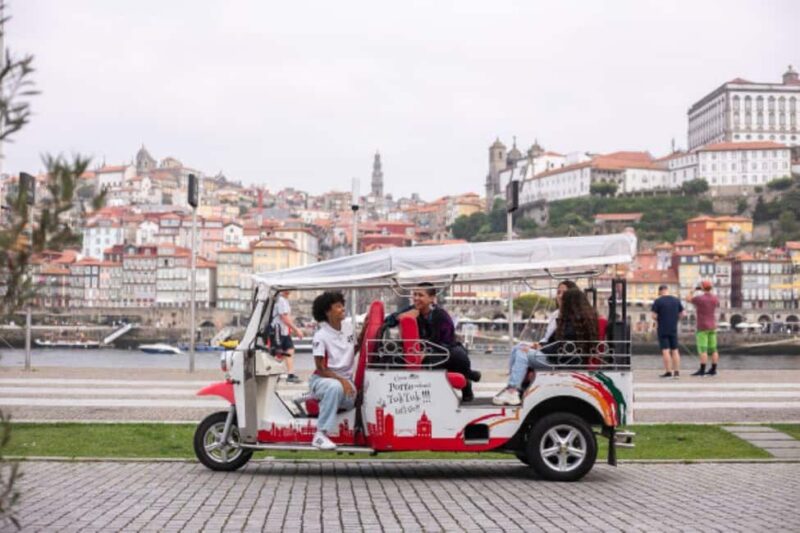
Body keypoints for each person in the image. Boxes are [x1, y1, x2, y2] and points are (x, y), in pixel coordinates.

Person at [494, 288, 598, 406]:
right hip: (562, 358)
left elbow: (561, 346)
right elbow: (555, 342)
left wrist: (540, 349)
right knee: (519, 347)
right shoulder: (580, 320)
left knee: (522, 353)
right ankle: (513, 388)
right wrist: (539, 346)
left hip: (561, 362)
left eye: (563, 300)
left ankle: (513, 390)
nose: (560, 302)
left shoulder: (572, 323)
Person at [388, 283, 480, 401]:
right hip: (419, 351)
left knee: (458, 354)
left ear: (431, 298)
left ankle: (467, 380)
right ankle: (471, 374)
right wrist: (400, 317)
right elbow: (388, 321)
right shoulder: (412, 309)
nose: (416, 298)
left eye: (420, 295)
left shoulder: (441, 315)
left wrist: (426, 352)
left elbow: (447, 341)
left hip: (443, 351)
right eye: (414, 294)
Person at [308, 291, 357, 450]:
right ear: (327, 312)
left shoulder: (348, 327)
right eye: (337, 306)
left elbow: (353, 350)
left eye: (342, 305)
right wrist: (342, 381)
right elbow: (321, 368)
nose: (342, 309)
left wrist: (366, 330)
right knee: (335, 387)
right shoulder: (320, 336)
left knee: (346, 394)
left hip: (345, 382)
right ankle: (320, 435)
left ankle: (324, 401)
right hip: (322, 380)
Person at [651, 284, 684, 379]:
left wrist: (658, 319)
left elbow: (654, 316)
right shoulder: (676, 300)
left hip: (662, 328)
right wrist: (675, 319)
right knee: (675, 350)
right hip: (673, 328)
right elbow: (682, 314)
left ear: (660, 291)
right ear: (667, 290)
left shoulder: (658, 301)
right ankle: (676, 372)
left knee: (665, 350)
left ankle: (668, 372)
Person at [270, 290, 304, 383]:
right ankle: (274, 372)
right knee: (278, 353)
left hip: (284, 331)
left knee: (290, 350)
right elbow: (284, 317)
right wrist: (296, 329)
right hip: (278, 330)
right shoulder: (281, 300)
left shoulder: (284, 300)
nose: (290, 291)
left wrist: (291, 328)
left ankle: (290, 374)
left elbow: (287, 317)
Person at [688, 280, 720, 377]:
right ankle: (713, 370)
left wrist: (692, 291)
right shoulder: (715, 298)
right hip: (712, 326)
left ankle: (702, 370)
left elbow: (687, 299)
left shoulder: (700, 298)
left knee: (703, 349)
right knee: (714, 349)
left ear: (702, 287)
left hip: (702, 326)